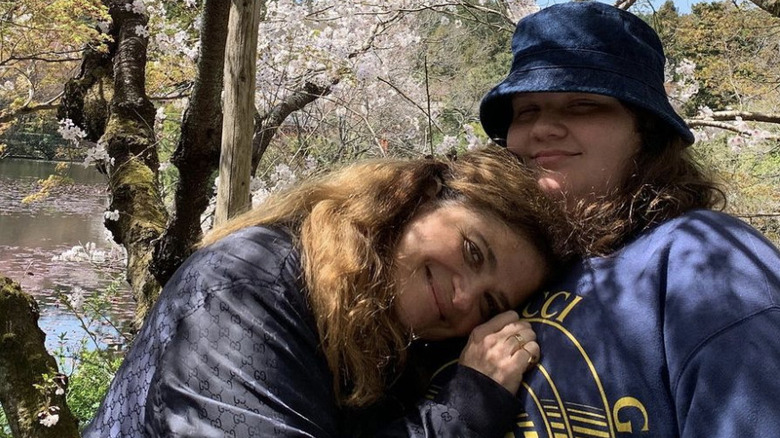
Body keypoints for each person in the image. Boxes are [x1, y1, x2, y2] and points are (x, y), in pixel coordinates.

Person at [423, 2, 780, 437]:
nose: (544, 128)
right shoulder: (473, 265)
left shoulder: (703, 258)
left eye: (582, 105)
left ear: (645, 133)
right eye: (526, 111)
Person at [82, 147, 572, 437]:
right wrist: (464, 412)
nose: (464, 298)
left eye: (490, 304)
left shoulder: (386, 326)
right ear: (418, 198)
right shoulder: (248, 289)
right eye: (471, 250)